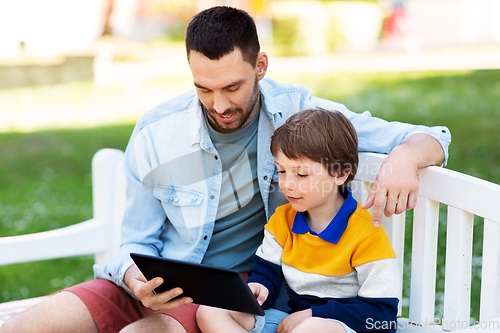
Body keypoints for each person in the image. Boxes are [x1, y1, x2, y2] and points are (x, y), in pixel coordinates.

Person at [0, 5, 450, 333]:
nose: (219, 105)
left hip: (227, 294)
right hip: (151, 281)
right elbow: (135, 240)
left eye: (233, 87)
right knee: (24, 327)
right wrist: (136, 279)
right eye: (203, 88)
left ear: (260, 66)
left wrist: (407, 158)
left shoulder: (300, 116)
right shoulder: (157, 132)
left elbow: (430, 136)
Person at [196, 108, 399, 333]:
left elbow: (383, 315)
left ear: (341, 174)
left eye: (301, 174)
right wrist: (258, 287)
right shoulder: (283, 220)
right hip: (293, 323)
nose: (287, 184)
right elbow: (266, 274)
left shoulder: (366, 234)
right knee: (210, 310)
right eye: (281, 171)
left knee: (312, 328)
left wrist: (315, 315)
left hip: (343, 326)